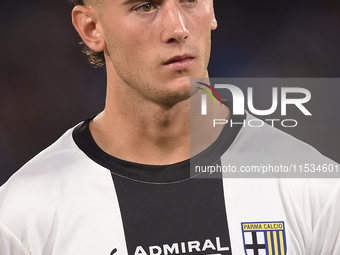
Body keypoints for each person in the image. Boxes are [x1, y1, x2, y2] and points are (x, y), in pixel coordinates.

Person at [0, 0, 339, 254]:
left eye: (189, 0)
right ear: (91, 28)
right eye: (146, 6)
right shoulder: (21, 217)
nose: (177, 28)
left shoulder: (316, 190)